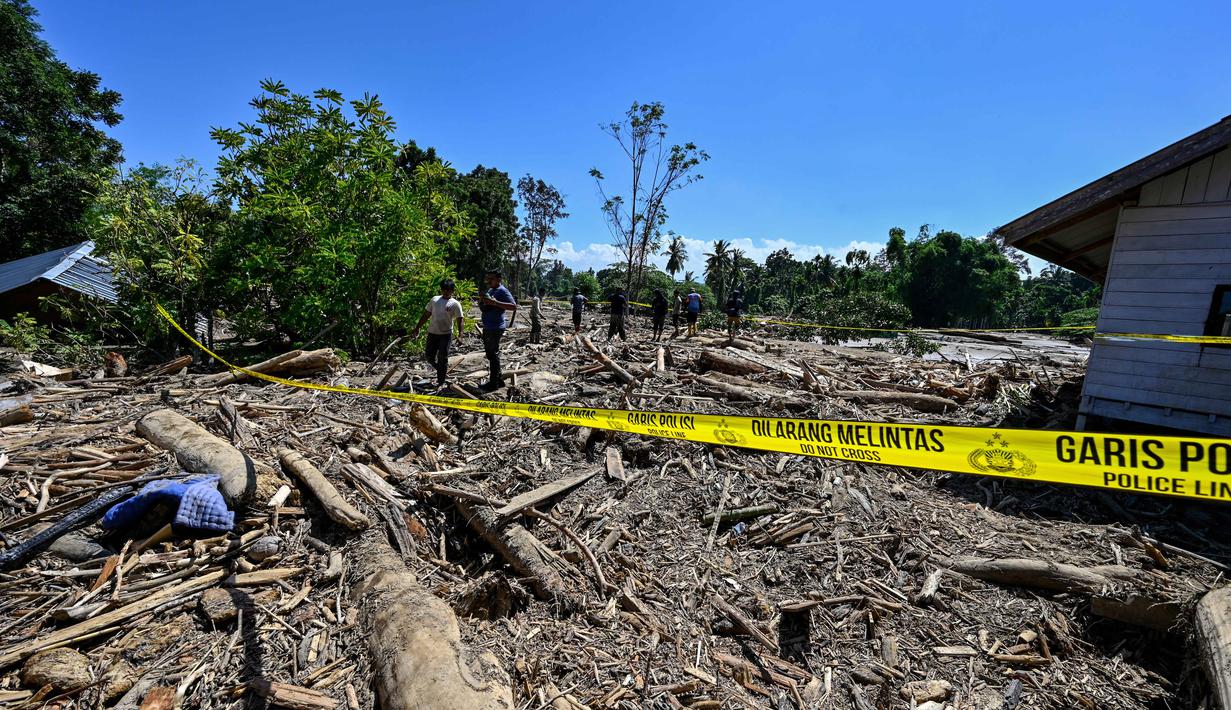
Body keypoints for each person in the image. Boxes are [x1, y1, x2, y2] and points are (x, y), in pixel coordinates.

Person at [408, 279, 465, 390]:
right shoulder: (434, 300)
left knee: (442, 357)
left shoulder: (455, 304)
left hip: (446, 334)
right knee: (429, 356)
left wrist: (461, 334)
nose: (446, 292)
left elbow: (460, 319)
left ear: (452, 291)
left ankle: (441, 381)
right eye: (444, 290)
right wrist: (417, 328)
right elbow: (426, 314)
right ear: (441, 289)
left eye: (448, 290)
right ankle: (441, 370)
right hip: (432, 333)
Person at [478, 269, 516, 390]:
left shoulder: (502, 291)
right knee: (492, 355)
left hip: (495, 327)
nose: (488, 281)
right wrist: (482, 302)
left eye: (491, 279)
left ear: (499, 279)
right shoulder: (491, 290)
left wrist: (495, 303)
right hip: (489, 326)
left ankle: (493, 383)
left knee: (492, 355)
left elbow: (513, 306)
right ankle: (498, 380)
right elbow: (486, 307)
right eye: (487, 279)